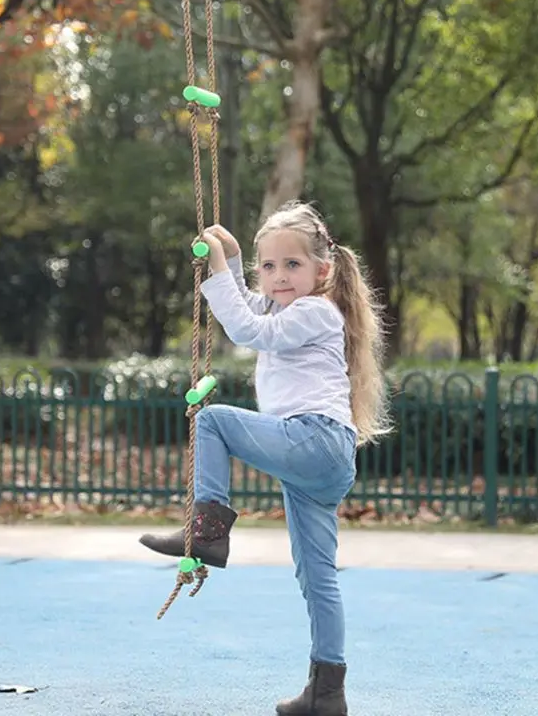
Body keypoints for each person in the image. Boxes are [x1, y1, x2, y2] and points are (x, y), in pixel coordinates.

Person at [140, 201, 390, 716]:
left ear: (322, 271)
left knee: (212, 421)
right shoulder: (286, 306)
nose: (278, 277)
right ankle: (327, 693)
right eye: (269, 266)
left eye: (292, 265)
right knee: (316, 575)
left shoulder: (316, 311)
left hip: (313, 439)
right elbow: (251, 310)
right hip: (319, 459)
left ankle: (208, 530)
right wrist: (230, 261)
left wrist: (213, 272)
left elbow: (248, 331)